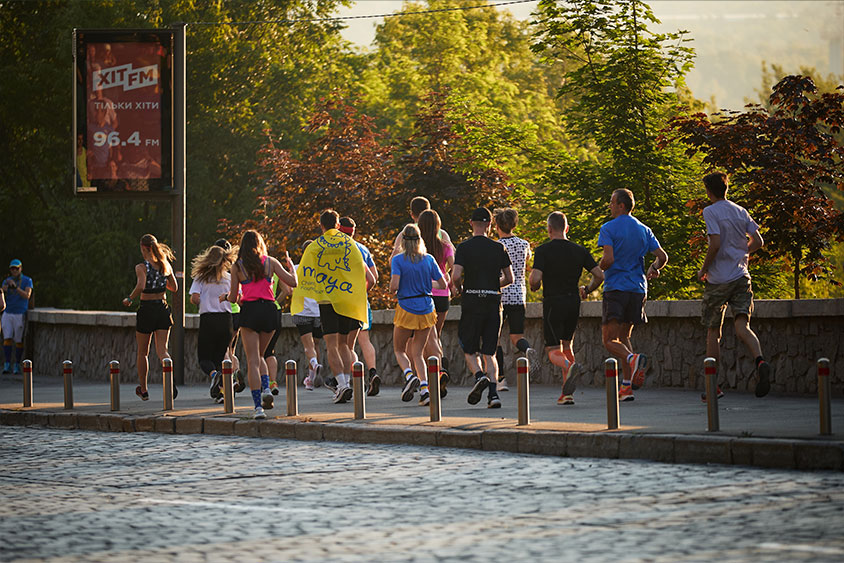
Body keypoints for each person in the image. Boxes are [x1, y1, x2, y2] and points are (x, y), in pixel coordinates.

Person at [697, 171, 771, 400]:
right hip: (741, 276)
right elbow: (758, 241)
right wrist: (740, 253)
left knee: (713, 331)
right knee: (742, 326)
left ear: (709, 191)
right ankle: (760, 362)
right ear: (726, 189)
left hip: (718, 280)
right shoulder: (741, 210)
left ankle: (713, 386)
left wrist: (704, 269)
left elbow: (715, 243)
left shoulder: (710, 211)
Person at [598, 189, 668, 402]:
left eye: (611, 202)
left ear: (621, 205)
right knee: (624, 336)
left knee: (609, 340)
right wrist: (654, 268)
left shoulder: (608, 228)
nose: (609, 206)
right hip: (638, 289)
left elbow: (608, 259)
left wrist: (599, 265)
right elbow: (662, 256)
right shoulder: (644, 229)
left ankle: (632, 358)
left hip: (616, 288)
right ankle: (627, 387)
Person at [529, 212, 604, 405]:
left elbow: (535, 279)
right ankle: (566, 394)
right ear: (567, 228)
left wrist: (534, 285)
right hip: (573, 302)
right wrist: (587, 289)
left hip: (554, 303)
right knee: (567, 345)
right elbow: (599, 275)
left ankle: (570, 366)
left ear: (549, 229)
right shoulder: (579, 250)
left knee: (553, 350)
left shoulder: (544, 251)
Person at [224, 230, 297, 419]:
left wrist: (228, 297)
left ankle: (258, 407)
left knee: (253, 360)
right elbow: (293, 283)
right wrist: (292, 268)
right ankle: (266, 387)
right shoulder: (271, 262)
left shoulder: (237, 267)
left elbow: (232, 297)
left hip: (250, 311)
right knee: (262, 355)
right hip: (270, 311)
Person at [451, 207, 514, 409]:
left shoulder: (464, 248)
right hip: (493, 301)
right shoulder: (499, 248)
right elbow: (510, 278)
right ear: (489, 225)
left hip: (471, 300)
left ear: (471, 223)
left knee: (468, 347)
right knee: (490, 352)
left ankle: (479, 376)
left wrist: (461, 289)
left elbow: (455, 276)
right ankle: (493, 395)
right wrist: (494, 285)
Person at [311, 210, 375, 404]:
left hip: (329, 300)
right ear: (338, 225)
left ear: (322, 226)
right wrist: (358, 293)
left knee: (331, 344)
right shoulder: (352, 247)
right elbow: (371, 279)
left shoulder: (317, 247)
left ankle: (342, 385)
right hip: (349, 300)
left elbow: (308, 275)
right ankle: (347, 382)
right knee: (345, 345)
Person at [391, 224, 447, 406]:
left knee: (399, 349)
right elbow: (443, 284)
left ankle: (409, 376)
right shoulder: (429, 259)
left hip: (406, 307)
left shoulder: (398, 260)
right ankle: (425, 389)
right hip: (426, 308)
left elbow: (394, 286)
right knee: (418, 353)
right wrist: (426, 286)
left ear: (403, 241)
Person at [122, 235, 178, 401]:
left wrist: (130, 298)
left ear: (143, 248)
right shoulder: (164, 265)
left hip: (146, 310)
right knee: (162, 350)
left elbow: (141, 285)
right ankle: (170, 380)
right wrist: (161, 283)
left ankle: (144, 389)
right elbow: (174, 287)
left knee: (143, 352)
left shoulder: (142, 267)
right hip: (162, 308)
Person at [493, 208, 538, 391]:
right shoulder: (524, 244)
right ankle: (527, 349)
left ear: (497, 226)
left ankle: (501, 379)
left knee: (495, 340)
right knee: (516, 336)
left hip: (501, 295)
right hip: (519, 295)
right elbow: (527, 260)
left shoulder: (496, 246)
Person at [339, 216, 381, 396]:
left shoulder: (339, 249)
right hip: (362, 301)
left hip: (344, 301)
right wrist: (362, 291)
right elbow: (374, 276)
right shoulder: (363, 249)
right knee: (365, 340)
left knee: (347, 346)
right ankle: (373, 372)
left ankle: (350, 381)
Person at [189, 244, 237, 403]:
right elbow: (238, 297)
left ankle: (214, 376)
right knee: (220, 359)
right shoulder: (229, 278)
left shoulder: (201, 277)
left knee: (204, 358)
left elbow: (194, 298)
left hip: (208, 319)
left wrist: (200, 300)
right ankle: (221, 393)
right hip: (226, 320)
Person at [417, 209, 453, 397]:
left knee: (425, 339)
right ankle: (438, 369)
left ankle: (434, 375)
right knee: (435, 336)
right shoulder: (445, 246)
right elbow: (454, 268)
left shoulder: (418, 248)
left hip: (425, 295)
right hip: (443, 295)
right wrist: (453, 284)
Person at [279, 241, 324, 391]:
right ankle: (311, 378)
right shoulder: (322, 270)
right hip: (319, 312)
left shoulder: (297, 269)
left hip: (302, 311)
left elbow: (290, 291)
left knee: (308, 346)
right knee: (316, 344)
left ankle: (315, 365)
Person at [2, 259, 33, 374]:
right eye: (12, 269)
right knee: (7, 338)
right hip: (8, 311)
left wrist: (16, 288)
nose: (14, 271)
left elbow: (27, 295)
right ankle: (7, 364)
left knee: (18, 339)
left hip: (20, 312)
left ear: (21, 268)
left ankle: (17, 364)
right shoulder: (7, 281)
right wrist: (5, 288)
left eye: (16, 268)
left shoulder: (27, 280)